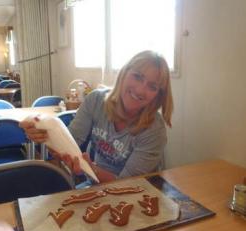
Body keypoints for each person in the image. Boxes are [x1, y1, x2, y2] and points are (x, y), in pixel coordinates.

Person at [20, 50, 173, 183]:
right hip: (94, 185)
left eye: (152, 86)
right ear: (124, 72)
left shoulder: (154, 131)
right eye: (138, 77)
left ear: (158, 96)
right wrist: (43, 133)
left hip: (135, 193)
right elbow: (69, 141)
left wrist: (89, 168)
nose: (140, 90)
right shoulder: (95, 100)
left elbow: (127, 183)